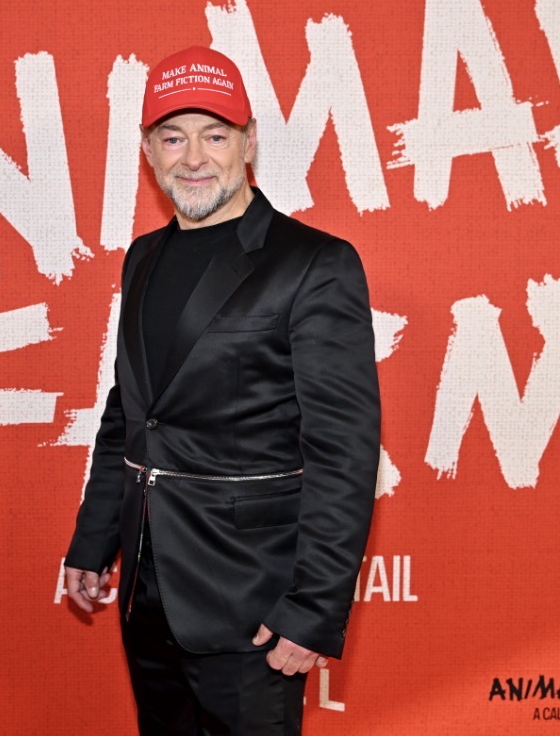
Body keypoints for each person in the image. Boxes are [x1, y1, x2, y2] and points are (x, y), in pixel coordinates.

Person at [64, 45, 380, 735]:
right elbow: (131, 408)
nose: (194, 158)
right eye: (173, 138)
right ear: (148, 151)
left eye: (215, 135)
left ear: (249, 142)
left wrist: (314, 608)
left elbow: (343, 453)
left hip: (253, 606)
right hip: (147, 591)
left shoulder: (313, 264)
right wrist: (93, 540)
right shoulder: (143, 257)